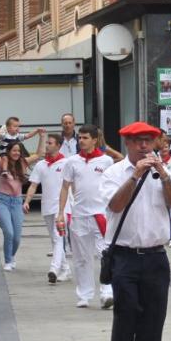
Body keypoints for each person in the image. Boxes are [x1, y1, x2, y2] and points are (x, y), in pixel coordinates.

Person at [99, 121, 171, 341]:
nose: (144, 146)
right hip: (125, 255)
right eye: (138, 141)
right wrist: (134, 175)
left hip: (156, 255)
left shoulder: (162, 172)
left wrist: (165, 176)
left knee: (155, 314)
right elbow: (115, 204)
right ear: (127, 144)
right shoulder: (113, 173)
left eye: (148, 140)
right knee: (127, 312)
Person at [55, 125, 116, 309]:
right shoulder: (72, 162)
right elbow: (65, 187)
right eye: (79, 137)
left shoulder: (106, 161)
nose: (81, 141)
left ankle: (107, 292)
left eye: (85, 138)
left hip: (101, 216)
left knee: (105, 255)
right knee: (81, 258)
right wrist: (60, 213)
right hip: (79, 215)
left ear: (95, 139)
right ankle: (84, 294)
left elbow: (113, 186)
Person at [24, 134, 71, 283]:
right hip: (47, 207)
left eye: (50, 143)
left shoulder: (67, 163)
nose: (47, 146)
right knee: (55, 240)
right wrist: (27, 201)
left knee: (58, 238)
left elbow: (74, 184)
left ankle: (54, 269)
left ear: (58, 145)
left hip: (63, 208)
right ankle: (65, 269)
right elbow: (33, 185)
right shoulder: (41, 165)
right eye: (47, 143)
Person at [0, 140, 31, 272]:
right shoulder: (3, 162)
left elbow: (41, 153)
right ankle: (8, 260)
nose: (16, 153)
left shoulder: (23, 163)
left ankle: (11, 256)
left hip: (17, 202)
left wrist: (41, 135)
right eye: (14, 150)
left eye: (18, 151)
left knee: (17, 237)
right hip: (2, 201)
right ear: (8, 152)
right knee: (9, 232)